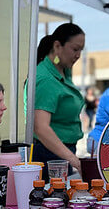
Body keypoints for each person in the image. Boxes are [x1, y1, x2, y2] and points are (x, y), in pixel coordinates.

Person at [33, 23, 86, 178]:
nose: (78, 55)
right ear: (57, 46)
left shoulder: (63, 71)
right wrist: (72, 159)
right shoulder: (45, 78)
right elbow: (40, 128)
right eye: (75, 49)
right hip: (51, 154)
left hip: (61, 152)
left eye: (81, 51)